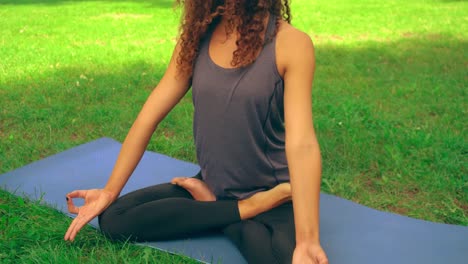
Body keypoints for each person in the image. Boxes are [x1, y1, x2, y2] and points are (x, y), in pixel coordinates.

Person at [64, 0, 328, 263]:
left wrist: (308, 241)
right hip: (213, 182)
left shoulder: (292, 44)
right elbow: (149, 116)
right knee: (114, 219)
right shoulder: (197, 37)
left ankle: (218, 209)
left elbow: (302, 142)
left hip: (274, 193)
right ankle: (231, 208)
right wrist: (110, 191)